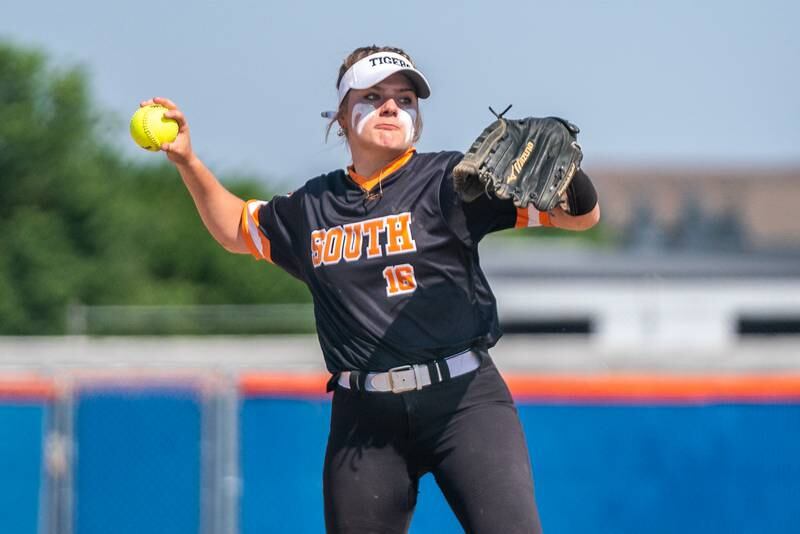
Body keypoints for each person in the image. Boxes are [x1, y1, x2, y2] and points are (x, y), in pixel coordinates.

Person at [147, 44, 600, 534]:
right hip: (365, 420)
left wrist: (573, 176)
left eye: (406, 99)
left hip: (464, 402)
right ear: (341, 115)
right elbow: (236, 229)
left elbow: (580, 218)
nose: (391, 106)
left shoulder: (451, 183)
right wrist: (188, 162)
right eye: (374, 95)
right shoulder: (311, 207)